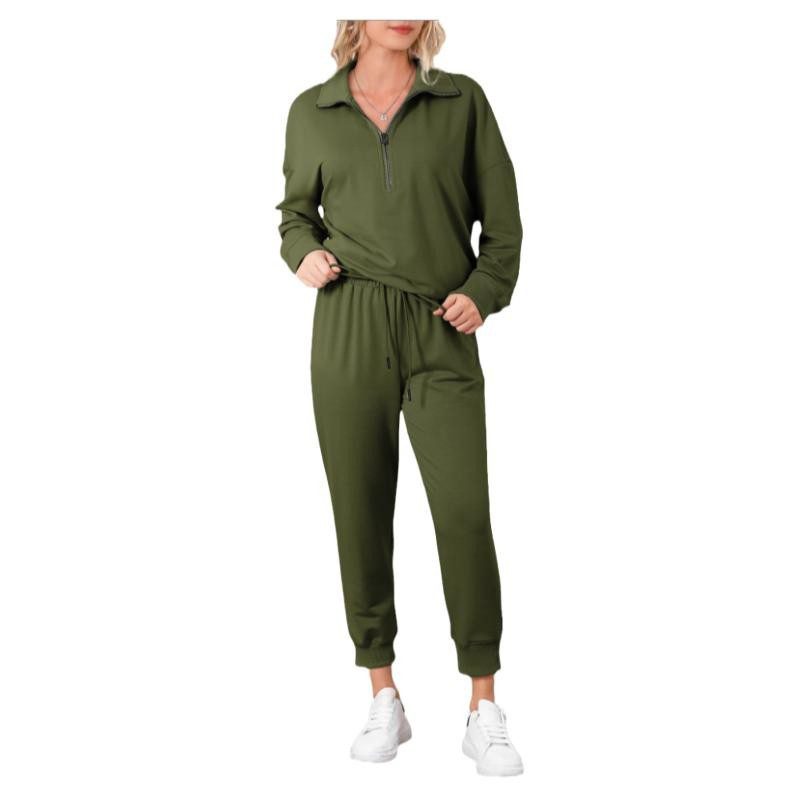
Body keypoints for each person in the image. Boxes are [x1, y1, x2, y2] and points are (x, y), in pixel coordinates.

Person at [275, 20, 524, 777]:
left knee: (464, 513)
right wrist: (301, 252)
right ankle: (382, 692)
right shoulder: (312, 110)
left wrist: (485, 291)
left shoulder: (461, 101)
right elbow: (294, 215)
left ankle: (483, 705)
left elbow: (503, 227)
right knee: (359, 510)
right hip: (348, 324)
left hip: (439, 327)